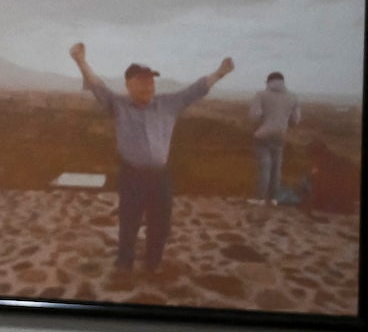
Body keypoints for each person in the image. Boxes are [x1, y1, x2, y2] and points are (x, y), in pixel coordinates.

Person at [70, 43, 234, 273]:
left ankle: (153, 262)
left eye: (151, 80)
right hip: (132, 175)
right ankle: (124, 263)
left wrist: (219, 73)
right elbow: (97, 86)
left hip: (160, 177)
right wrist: (80, 61)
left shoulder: (168, 104)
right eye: (142, 80)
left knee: (161, 224)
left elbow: (195, 90)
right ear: (129, 84)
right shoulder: (118, 105)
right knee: (129, 222)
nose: (149, 84)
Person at [245, 71, 302, 205]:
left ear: (268, 82)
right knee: (276, 169)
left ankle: (260, 199)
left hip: (263, 135)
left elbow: (254, 116)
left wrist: (258, 127)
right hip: (280, 136)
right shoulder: (293, 97)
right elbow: (295, 120)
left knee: (265, 167)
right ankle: (274, 199)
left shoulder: (261, 95)